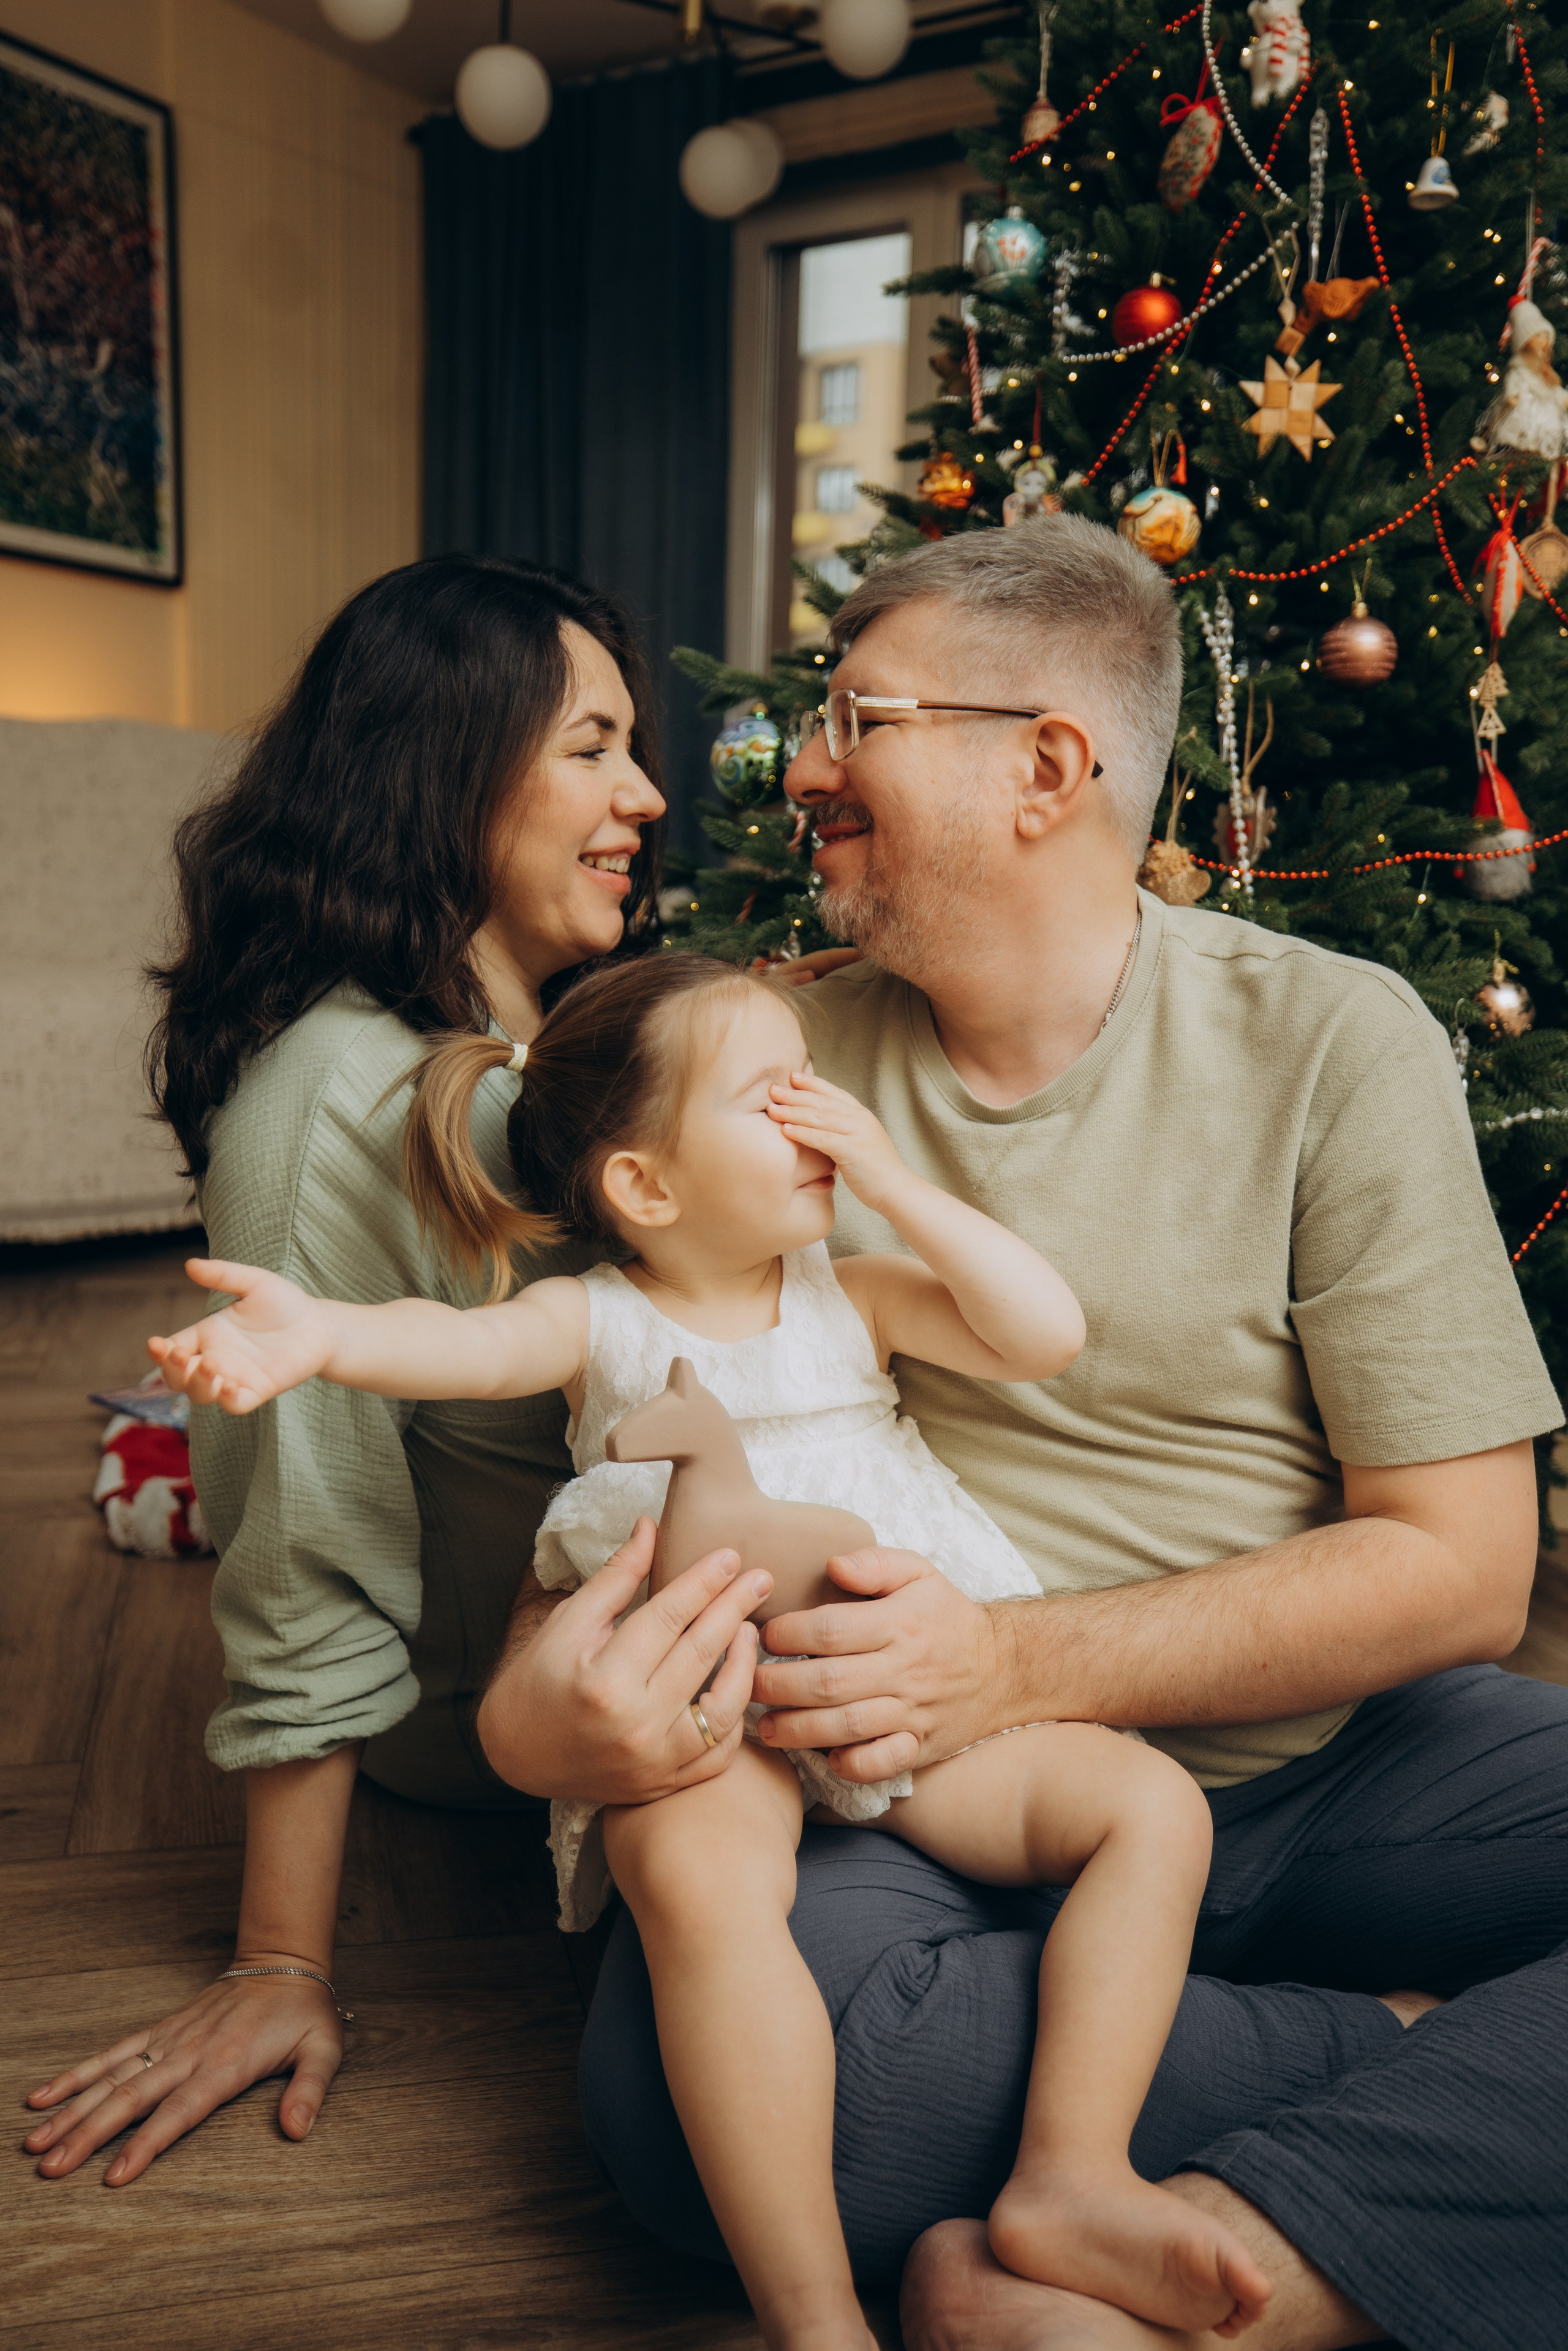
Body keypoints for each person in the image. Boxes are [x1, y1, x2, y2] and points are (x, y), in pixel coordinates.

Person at [474, 519, 1567, 2350]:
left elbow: (1465, 1571)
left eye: (855, 715)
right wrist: (538, 1714)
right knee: (688, 2123)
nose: (799, 764)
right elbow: (615, 1480)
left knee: (851, 2109)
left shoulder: (1329, 1039)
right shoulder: (753, 1063)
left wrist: (1009, 1661)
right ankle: (1410, 2047)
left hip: (1331, 1759)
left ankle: (1263, 2250)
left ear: (1046, 765)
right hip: (937, 1815)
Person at [143, 950, 1273, 2348]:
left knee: (1149, 1807)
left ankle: (1070, 2170)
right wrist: (316, 1334)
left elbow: (1039, 1330)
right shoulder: (599, 1318)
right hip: (704, 1709)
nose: (815, 1118)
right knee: (689, 1881)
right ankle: (810, 2317)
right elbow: (448, 1341)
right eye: (772, 1098)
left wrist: (894, 1176)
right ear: (646, 1188)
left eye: (820, 1090)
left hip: (879, 1684)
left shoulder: (850, 1291)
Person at [22, 553, 750, 2184]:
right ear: (445, 766)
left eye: (635, 745)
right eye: (591, 744)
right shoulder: (333, 1103)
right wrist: (284, 1958)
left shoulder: (532, 1053)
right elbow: (301, 1534)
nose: (646, 792)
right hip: (499, 1714)